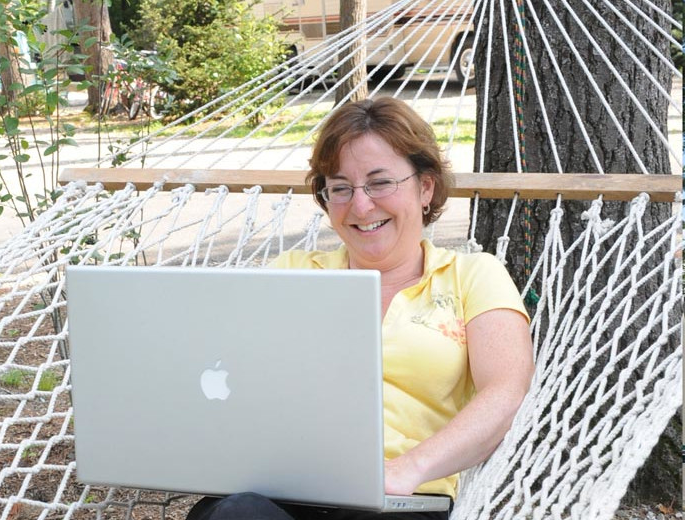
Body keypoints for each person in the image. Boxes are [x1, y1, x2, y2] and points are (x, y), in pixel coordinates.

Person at [186, 97, 535, 519]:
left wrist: (407, 469)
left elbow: (506, 394)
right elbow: (223, 377)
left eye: (379, 182)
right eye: (341, 188)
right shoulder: (291, 274)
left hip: (402, 499)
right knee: (235, 513)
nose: (361, 205)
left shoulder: (472, 276)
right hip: (286, 490)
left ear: (425, 187)